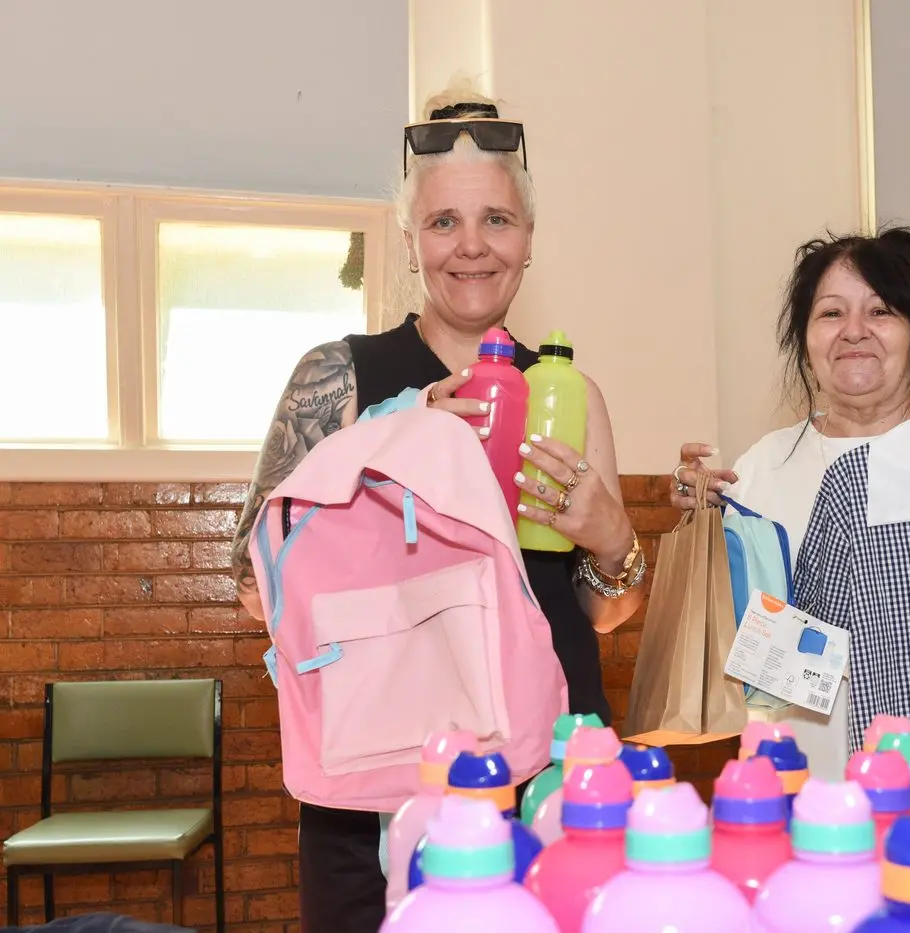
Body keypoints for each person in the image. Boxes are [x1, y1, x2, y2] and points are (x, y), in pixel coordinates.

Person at [228, 85, 646, 933]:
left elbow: (605, 612)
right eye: (444, 222)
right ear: (411, 242)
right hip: (379, 767)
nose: (471, 247)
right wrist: (390, 440)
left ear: (529, 238)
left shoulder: (572, 393)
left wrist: (613, 539)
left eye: (496, 219)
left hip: (545, 763)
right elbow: (251, 580)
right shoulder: (338, 378)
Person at [670, 227, 910, 781]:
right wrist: (699, 525)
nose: (854, 331)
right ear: (803, 340)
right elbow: (734, 646)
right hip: (805, 771)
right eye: (830, 314)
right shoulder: (762, 464)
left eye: (880, 312)